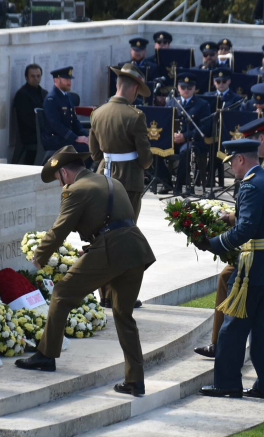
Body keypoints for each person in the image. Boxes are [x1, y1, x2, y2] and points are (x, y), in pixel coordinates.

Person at [15, 146, 156, 398]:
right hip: (136, 249)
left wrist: (39, 257)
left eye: (58, 180)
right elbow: (117, 220)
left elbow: (60, 229)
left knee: (61, 292)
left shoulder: (75, 190)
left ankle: (46, 355)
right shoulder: (112, 182)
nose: (60, 186)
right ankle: (135, 381)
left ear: (64, 173)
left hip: (110, 251)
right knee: (124, 316)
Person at [194, 117, 264, 382]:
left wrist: (222, 231)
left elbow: (260, 211)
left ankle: (220, 349)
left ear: (259, 140)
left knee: (236, 287)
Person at [90, 63, 153, 309]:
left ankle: (104, 294)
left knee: (103, 236)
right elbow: (145, 159)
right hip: (128, 182)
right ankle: (120, 295)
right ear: (135, 89)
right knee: (125, 237)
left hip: (101, 180)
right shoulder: (135, 116)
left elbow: (95, 154)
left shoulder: (98, 113)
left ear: (118, 86)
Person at [158, 72, 212, 194]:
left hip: (192, 141)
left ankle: (178, 185)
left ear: (194, 88)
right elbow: (165, 123)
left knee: (185, 151)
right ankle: (166, 182)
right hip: (172, 139)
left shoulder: (202, 105)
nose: (186, 90)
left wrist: (185, 136)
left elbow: (204, 127)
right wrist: (171, 136)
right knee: (154, 149)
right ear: (178, 88)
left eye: (189, 88)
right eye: (183, 87)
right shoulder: (171, 102)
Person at [41, 66, 90, 161]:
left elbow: (74, 121)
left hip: (65, 138)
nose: (69, 82)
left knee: (93, 145)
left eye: (70, 79)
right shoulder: (52, 99)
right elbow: (56, 125)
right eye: (66, 79)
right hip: (55, 139)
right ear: (56, 80)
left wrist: (86, 136)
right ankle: (79, 173)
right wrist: (76, 138)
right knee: (85, 149)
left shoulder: (66, 96)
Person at [13, 64, 48, 165]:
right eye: (32, 76)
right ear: (26, 77)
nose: (36, 79)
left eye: (38, 76)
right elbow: (28, 120)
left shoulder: (44, 93)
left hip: (43, 132)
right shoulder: (22, 95)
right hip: (31, 135)